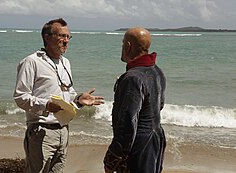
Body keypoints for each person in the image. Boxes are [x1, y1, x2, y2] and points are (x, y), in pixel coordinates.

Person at [13, 18, 104, 173]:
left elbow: (67, 92)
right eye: (61, 36)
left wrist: (78, 99)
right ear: (47, 37)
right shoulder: (32, 61)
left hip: (63, 131)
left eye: (68, 37)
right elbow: (20, 97)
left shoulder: (65, 62)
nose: (66, 41)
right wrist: (46, 105)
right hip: (41, 131)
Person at [103, 27, 166, 173]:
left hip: (139, 146)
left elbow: (128, 122)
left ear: (128, 45)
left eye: (123, 43)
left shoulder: (132, 78)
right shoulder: (156, 70)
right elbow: (160, 104)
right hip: (156, 139)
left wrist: (113, 157)